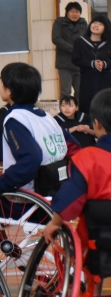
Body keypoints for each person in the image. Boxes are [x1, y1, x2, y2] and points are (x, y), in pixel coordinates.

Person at [0, 63, 81, 206]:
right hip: (51, 194)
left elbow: (32, 158)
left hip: (24, 199)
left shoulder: (15, 119)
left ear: (9, 91)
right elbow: (76, 149)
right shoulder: (48, 118)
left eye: (1, 82)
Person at [43, 88, 111, 296]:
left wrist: (54, 223)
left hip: (98, 241)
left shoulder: (87, 158)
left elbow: (70, 199)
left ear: (96, 124)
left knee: (92, 269)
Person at [72, 15, 111, 116]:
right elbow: (76, 59)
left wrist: (105, 64)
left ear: (106, 27)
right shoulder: (80, 41)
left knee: (104, 104)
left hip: (105, 79)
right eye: (94, 23)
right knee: (87, 104)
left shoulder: (109, 43)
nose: (96, 25)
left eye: (100, 24)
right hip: (87, 78)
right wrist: (91, 63)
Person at [52, 2, 87, 100]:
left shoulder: (83, 23)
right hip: (65, 63)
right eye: (72, 11)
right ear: (67, 12)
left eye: (77, 11)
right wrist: (74, 49)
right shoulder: (59, 23)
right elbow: (56, 39)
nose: (74, 14)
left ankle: (79, 109)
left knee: (81, 91)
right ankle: (65, 109)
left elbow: (88, 39)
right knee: (66, 91)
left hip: (80, 63)